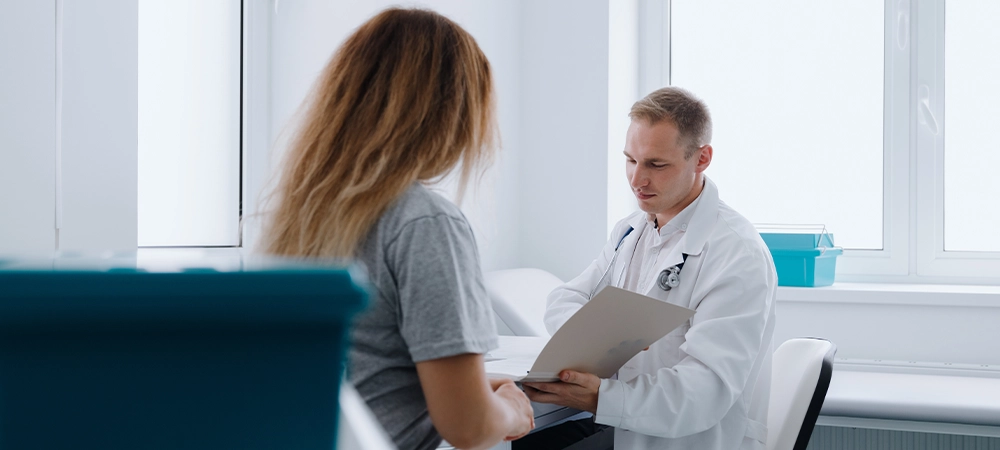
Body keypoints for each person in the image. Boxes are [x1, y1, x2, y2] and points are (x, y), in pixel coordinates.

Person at [261, 8, 534, 450]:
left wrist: (467, 389)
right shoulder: (425, 222)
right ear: (450, 113)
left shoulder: (297, 216)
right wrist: (509, 409)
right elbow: (468, 427)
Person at [517, 87, 777, 450]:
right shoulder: (631, 230)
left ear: (701, 159)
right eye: (630, 160)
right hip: (621, 426)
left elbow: (704, 392)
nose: (637, 180)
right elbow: (566, 297)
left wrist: (600, 397)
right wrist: (597, 339)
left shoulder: (737, 253)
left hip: (685, 440)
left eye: (656, 165)